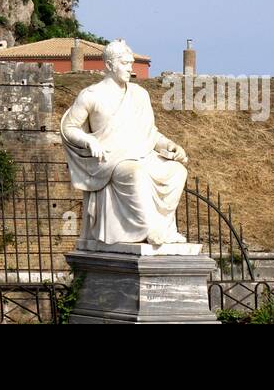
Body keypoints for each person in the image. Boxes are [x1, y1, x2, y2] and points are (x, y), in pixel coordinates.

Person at [60, 39, 189, 246]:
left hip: (141, 154)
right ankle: (149, 230)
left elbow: (149, 133)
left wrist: (168, 145)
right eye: (125, 63)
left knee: (177, 172)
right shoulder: (91, 95)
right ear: (109, 65)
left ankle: (164, 228)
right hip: (110, 160)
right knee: (135, 172)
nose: (130, 68)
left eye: (131, 63)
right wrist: (88, 141)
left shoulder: (140, 95)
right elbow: (69, 127)